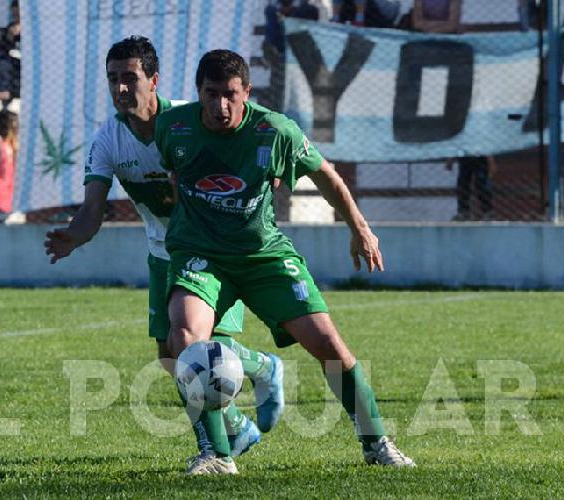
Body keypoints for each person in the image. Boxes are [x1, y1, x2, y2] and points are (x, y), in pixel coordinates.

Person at [154, 49, 415, 474]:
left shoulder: (274, 131)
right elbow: (172, 173)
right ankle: (217, 456)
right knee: (183, 340)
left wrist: (360, 228)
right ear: (198, 93)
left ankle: (377, 443)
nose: (221, 106)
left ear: (247, 92)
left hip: (263, 256)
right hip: (200, 255)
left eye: (231, 95)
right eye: (211, 94)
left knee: (330, 347)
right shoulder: (173, 127)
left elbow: (327, 175)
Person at [42, 36, 285, 462]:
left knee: (195, 348)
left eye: (130, 78)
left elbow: (245, 148)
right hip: (163, 254)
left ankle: (215, 451)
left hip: (213, 251)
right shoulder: (108, 140)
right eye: (112, 79)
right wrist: (73, 236)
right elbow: (92, 210)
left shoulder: (191, 121)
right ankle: (240, 415)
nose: (120, 88)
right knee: (172, 359)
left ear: (153, 80)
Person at [446, 155, 496, 221]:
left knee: (481, 186)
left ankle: (488, 212)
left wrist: (491, 163)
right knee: (462, 185)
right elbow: (456, 146)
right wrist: (450, 160)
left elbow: (486, 147)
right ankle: (463, 212)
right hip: (465, 158)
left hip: (480, 159)